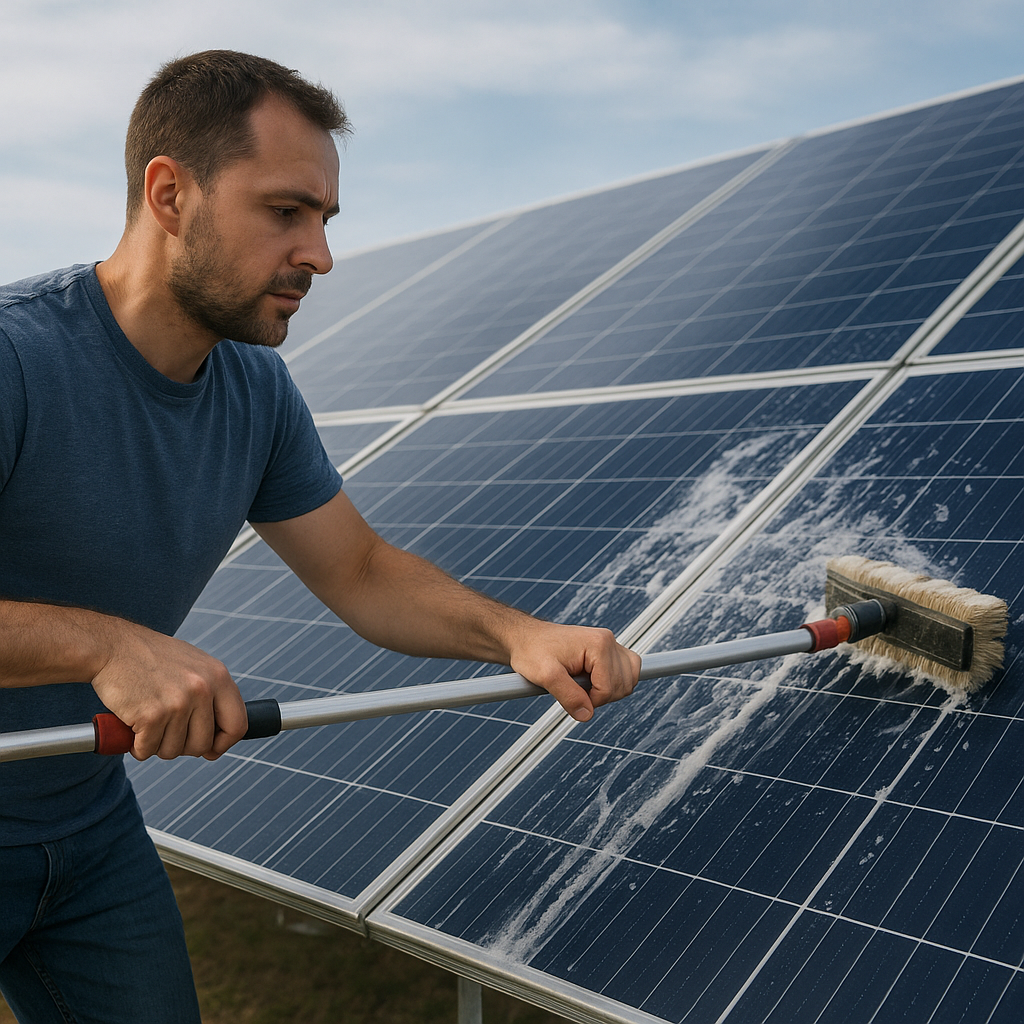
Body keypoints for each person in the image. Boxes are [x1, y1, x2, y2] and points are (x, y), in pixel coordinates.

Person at [0, 50, 640, 1021]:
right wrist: (103, 643)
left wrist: (517, 635)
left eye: (325, 221)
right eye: (284, 212)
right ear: (170, 193)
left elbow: (361, 569)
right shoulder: (16, 358)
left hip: (86, 828)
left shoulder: (254, 391)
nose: (320, 255)